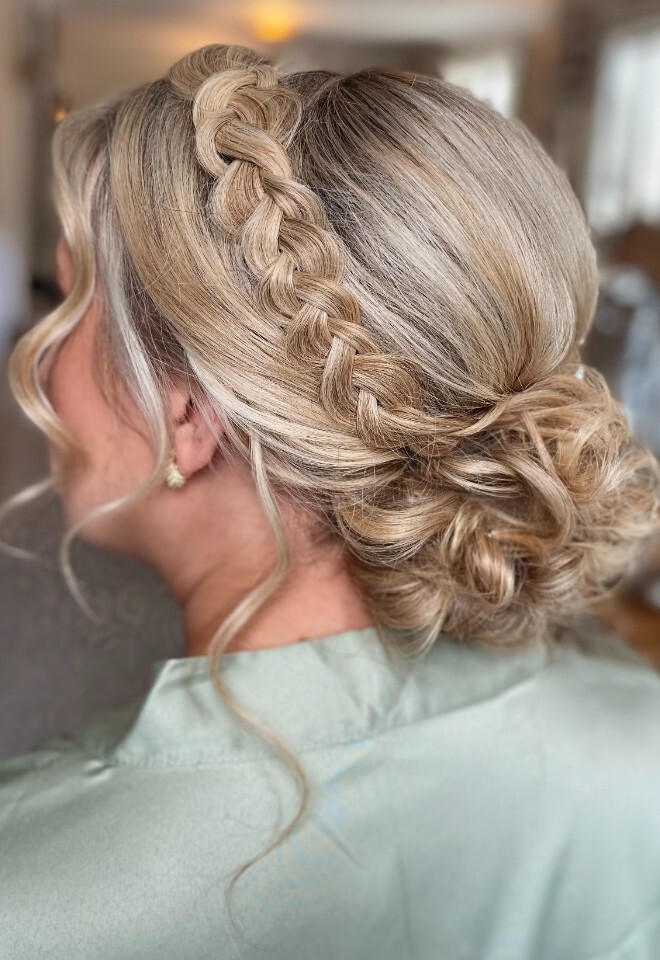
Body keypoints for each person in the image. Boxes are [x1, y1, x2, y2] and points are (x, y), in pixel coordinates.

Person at [1, 42, 660, 960]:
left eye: (73, 305)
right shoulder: (644, 738)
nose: (35, 357)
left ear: (185, 413)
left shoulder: (28, 894)